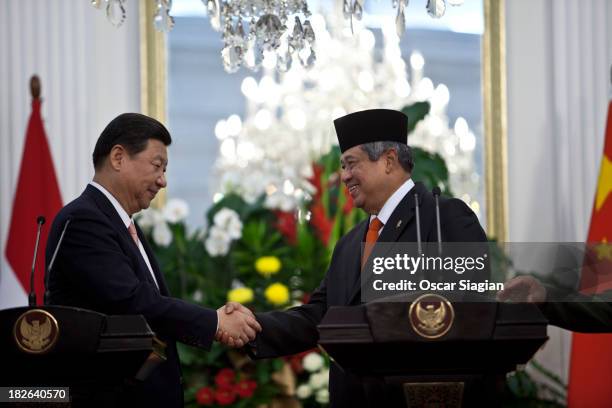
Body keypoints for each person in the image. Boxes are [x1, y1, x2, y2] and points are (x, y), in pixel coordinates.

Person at [219, 108, 487, 407]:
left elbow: (470, 311)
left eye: (351, 164)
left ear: (388, 161)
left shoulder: (444, 217)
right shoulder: (350, 242)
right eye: (342, 166)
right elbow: (321, 316)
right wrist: (253, 326)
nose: (344, 176)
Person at [45, 113, 260, 408]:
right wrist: (214, 321)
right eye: (157, 166)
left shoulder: (123, 224)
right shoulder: (84, 220)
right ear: (118, 157)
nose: (163, 181)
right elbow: (134, 301)